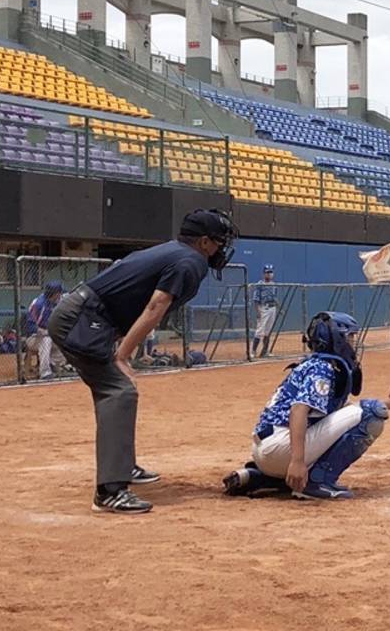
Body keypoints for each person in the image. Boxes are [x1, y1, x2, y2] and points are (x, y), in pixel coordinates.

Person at [47, 208, 238, 514]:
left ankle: (121, 466)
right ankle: (110, 491)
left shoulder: (176, 253)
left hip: (89, 318)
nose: (220, 248)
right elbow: (155, 305)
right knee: (119, 390)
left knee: (112, 391)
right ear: (204, 242)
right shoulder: (190, 261)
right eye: (218, 241)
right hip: (82, 318)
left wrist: (120, 346)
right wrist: (122, 355)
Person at [222, 312, 390, 500]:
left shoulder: (318, 365)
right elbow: (298, 411)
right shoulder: (323, 368)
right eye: (349, 336)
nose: (353, 342)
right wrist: (297, 461)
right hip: (281, 447)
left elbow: (344, 412)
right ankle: (317, 482)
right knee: (372, 414)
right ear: (335, 339)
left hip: (268, 450)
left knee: (368, 411)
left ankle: (262, 478)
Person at [25, 281, 67, 379]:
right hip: (33, 338)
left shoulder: (58, 302)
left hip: (50, 334)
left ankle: (52, 363)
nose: (60, 295)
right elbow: (29, 325)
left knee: (67, 339)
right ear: (54, 294)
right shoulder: (39, 304)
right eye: (59, 293)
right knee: (46, 340)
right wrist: (42, 331)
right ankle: (45, 373)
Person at [251, 264, 278, 357]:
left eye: (271, 272)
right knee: (259, 330)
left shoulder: (274, 285)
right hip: (264, 308)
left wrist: (279, 307)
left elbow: (275, 298)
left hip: (272, 308)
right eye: (267, 272)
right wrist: (258, 311)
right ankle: (253, 351)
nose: (269, 274)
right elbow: (256, 299)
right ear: (264, 274)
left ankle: (265, 351)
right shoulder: (260, 284)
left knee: (268, 331)